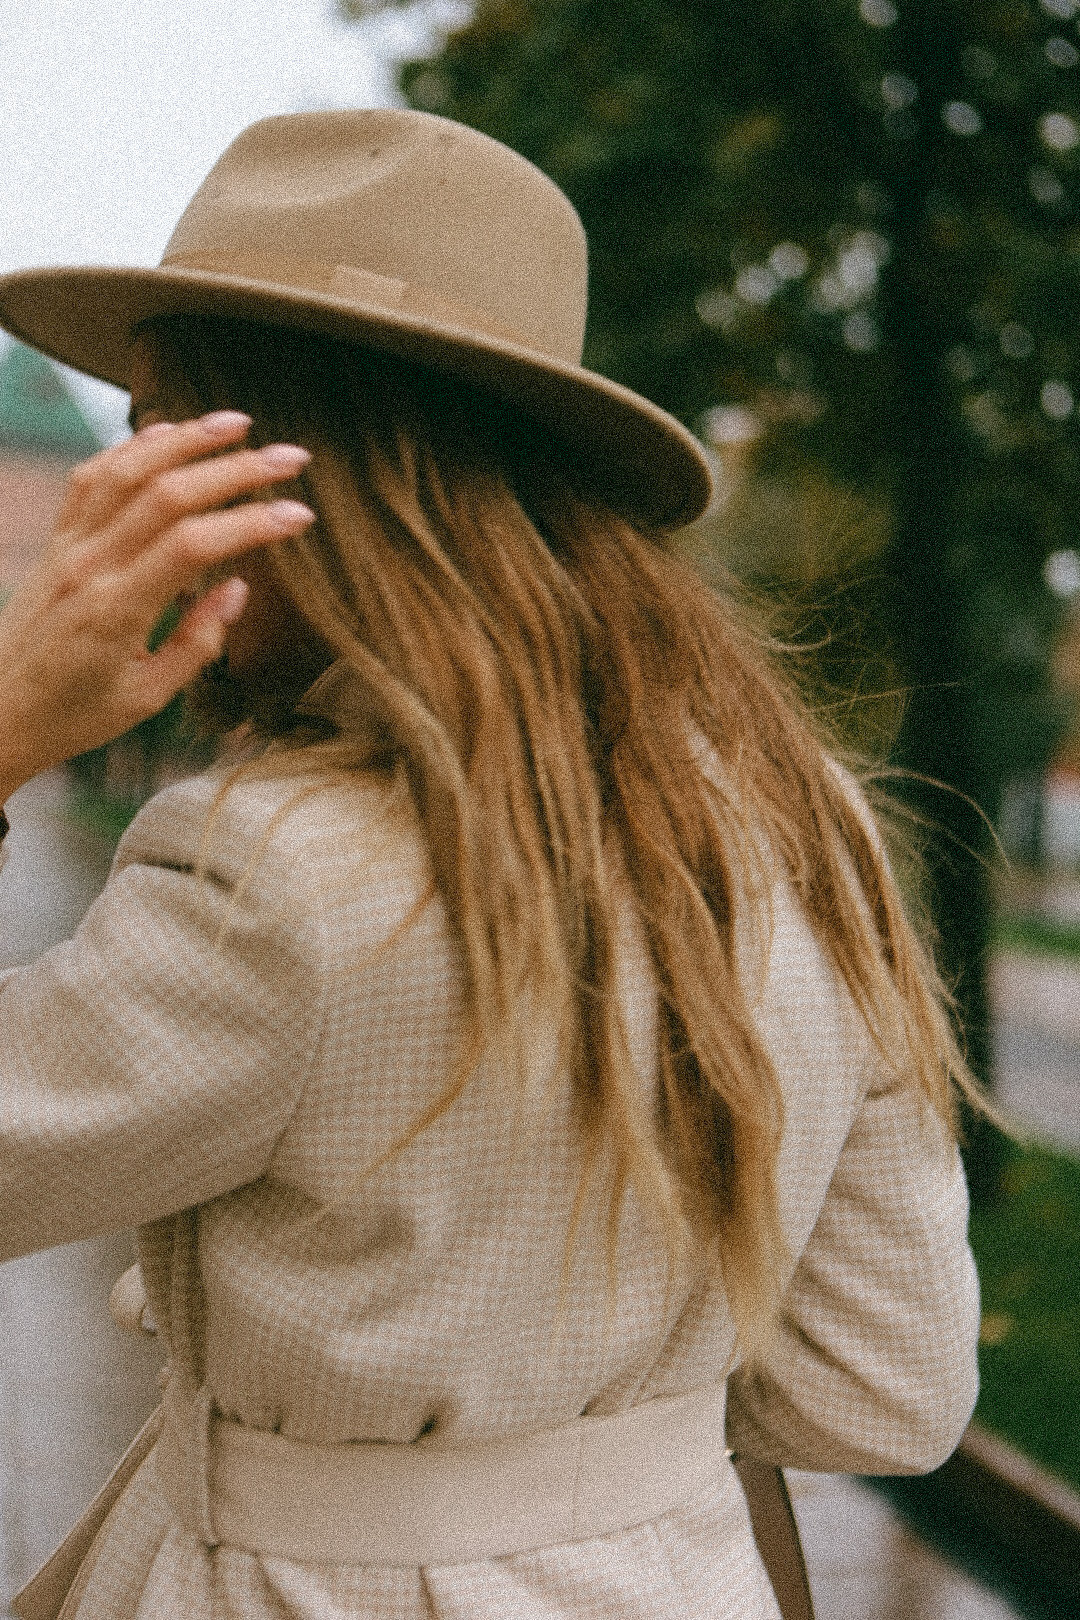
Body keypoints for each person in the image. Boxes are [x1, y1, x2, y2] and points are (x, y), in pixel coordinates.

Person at [0, 109, 982, 1620]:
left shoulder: (270, 872)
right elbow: (881, 1394)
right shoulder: (812, 830)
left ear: (267, 480)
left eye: (155, 441)